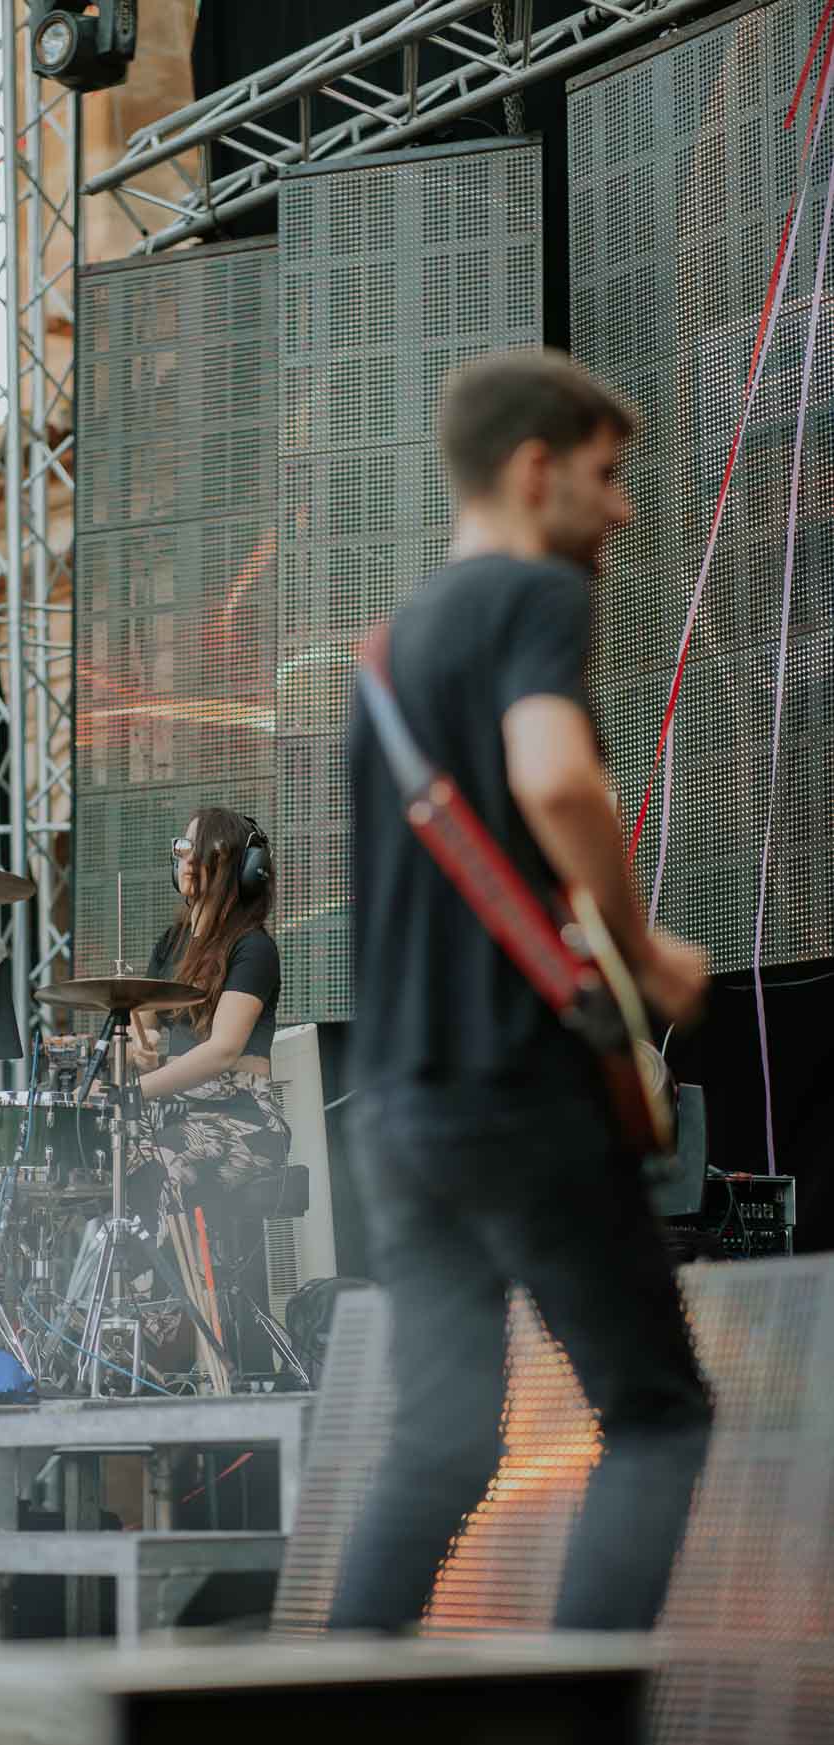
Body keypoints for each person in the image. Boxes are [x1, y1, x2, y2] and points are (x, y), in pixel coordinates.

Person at [332, 348, 713, 1635]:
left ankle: (325, 1722)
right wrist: (645, 950)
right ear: (534, 468)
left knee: (437, 1448)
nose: (621, 510)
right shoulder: (533, 597)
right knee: (657, 1411)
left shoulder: (387, 652)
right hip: (513, 1093)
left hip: (392, 1109)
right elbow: (553, 778)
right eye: (608, 478)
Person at [131, 807, 289, 1243]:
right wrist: (132, 1051)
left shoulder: (254, 948)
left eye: (198, 851)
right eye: (181, 849)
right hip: (173, 1115)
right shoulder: (171, 943)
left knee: (156, 1161)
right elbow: (140, 1029)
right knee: (101, 1161)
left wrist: (139, 1089)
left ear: (239, 868)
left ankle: (175, 1309)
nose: (184, 860)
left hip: (242, 1122)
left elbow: (223, 1050)